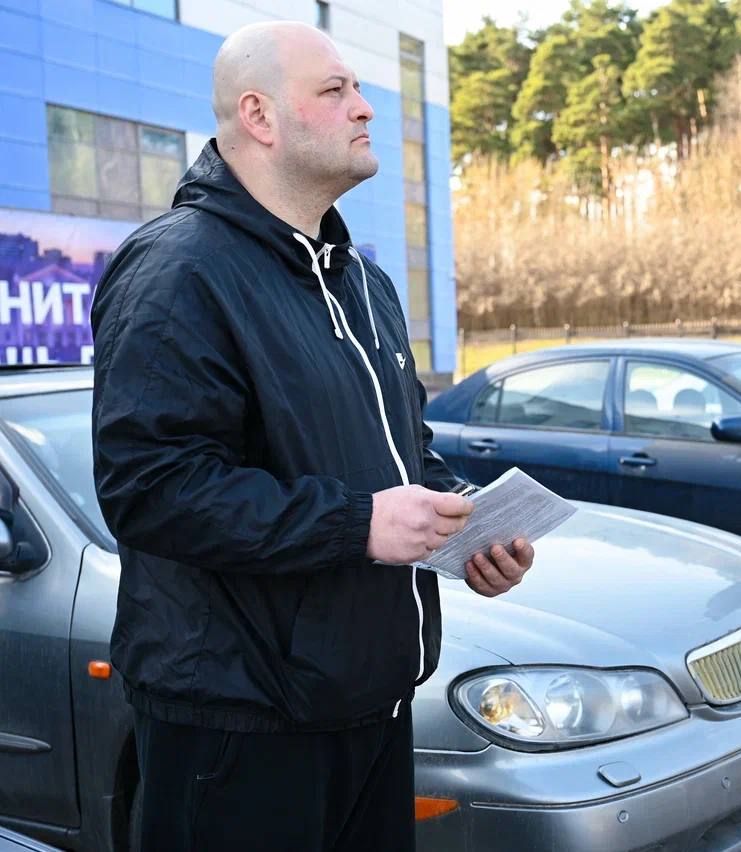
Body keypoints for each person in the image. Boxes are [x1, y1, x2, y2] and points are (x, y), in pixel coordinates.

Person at [91, 22, 534, 851]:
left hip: (373, 704)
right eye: (335, 91)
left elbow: (403, 455)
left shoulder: (363, 282)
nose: (365, 108)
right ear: (258, 115)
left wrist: (465, 526)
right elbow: (152, 490)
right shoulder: (177, 269)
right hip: (240, 726)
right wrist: (359, 523)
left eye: (358, 89)